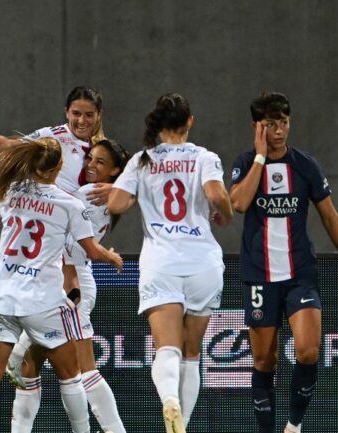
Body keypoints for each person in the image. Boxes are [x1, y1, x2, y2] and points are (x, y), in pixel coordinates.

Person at [0, 138, 123, 433]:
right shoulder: (69, 204)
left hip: (3, 299)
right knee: (71, 375)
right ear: (59, 166)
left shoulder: (9, 190)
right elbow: (91, 250)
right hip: (42, 303)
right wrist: (111, 256)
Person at [229, 92, 338, 433]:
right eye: (270, 124)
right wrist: (260, 158)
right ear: (257, 127)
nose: (279, 131)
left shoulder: (305, 165)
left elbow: (330, 217)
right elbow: (239, 204)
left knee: (307, 351)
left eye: (284, 123)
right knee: (264, 360)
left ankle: (294, 425)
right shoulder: (245, 163)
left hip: (300, 274)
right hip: (260, 276)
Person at [0, 85, 112, 386]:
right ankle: (12, 360)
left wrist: (115, 189)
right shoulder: (53, 137)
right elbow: (14, 147)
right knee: (74, 304)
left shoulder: (103, 150)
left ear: (99, 116)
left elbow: (128, 183)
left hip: (71, 243)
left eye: (88, 115)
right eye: (76, 113)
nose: (81, 120)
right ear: (66, 112)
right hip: (58, 244)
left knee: (55, 308)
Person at [108, 93, 233, 433]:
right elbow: (216, 195)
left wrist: (135, 192)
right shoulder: (204, 157)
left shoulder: (142, 160)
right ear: (189, 121)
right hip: (202, 263)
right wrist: (226, 214)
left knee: (166, 347)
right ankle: (183, 424)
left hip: (161, 262)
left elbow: (116, 204)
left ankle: (169, 399)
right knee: (192, 353)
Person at [10, 139, 130, 433]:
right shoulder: (107, 196)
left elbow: (58, 220)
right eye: (91, 158)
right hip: (62, 278)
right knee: (31, 364)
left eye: (100, 162)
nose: (90, 165)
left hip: (71, 281)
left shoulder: (89, 194)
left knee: (82, 370)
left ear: (116, 170)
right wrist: (123, 188)